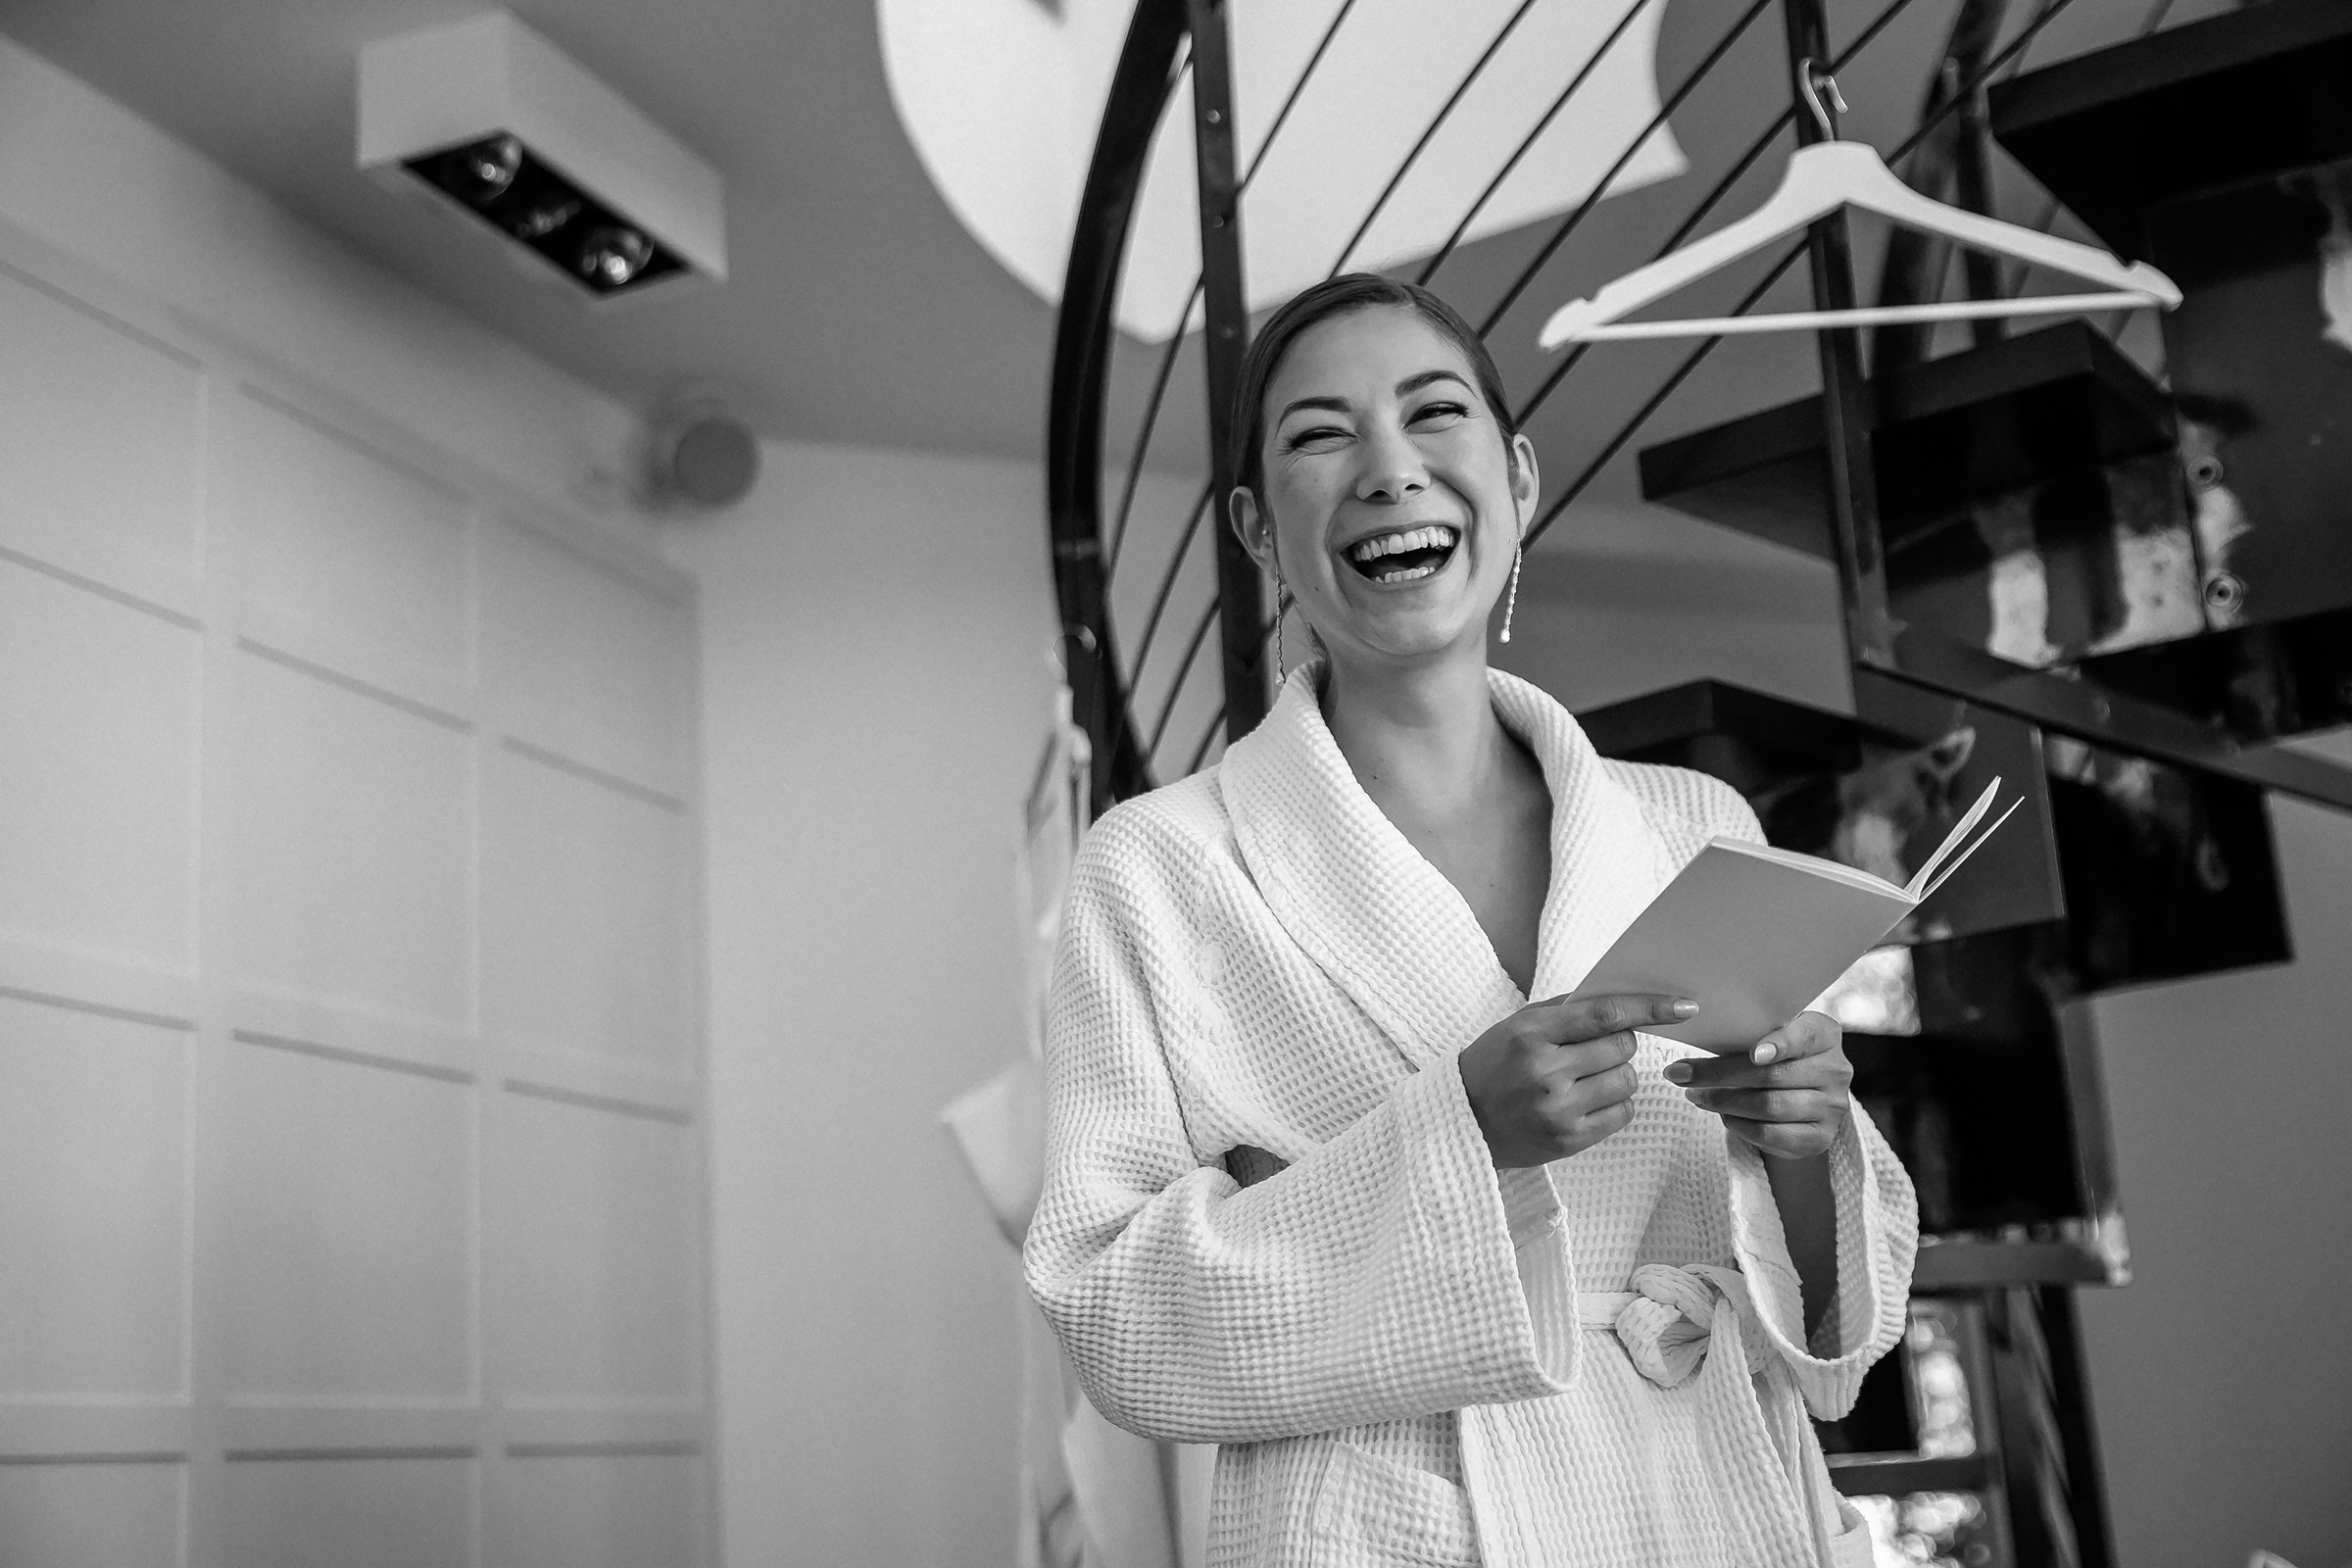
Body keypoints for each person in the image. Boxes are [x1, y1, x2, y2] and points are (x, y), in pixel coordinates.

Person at [1024, 274, 1916, 1568]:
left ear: (1520, 478)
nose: (1391, 470)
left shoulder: (1690, 822)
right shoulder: (1158, 869)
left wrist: (1804, 1141)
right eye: (1320, 435)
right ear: (1257, 532)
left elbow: (1829, 1330)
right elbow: (1114, 1318)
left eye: (1434, 413)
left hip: (1720, 1503)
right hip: (1398, 1524)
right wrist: (1462, 1140)